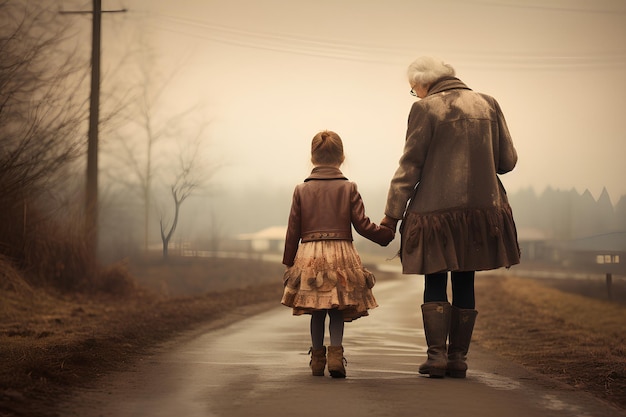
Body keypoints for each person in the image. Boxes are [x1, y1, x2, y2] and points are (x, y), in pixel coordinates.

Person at [380, 56, 521, 379]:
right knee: (464, 278)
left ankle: (437, 358)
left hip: (436, 213)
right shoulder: (488, 104)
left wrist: (391, 215)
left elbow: (410, 166)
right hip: (481, 212)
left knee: (435, 277)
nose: (415, 95)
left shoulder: (426, 109)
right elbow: (507, 160)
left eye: (413, 90)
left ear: (423, 84)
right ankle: (458, 359)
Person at [282, 130, 395, 378]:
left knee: (316, 308)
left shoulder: (301, 190)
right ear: (342, 157)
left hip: (310, 255)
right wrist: (386, 234)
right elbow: (363, 225)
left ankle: (316, 359)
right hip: (341, 253)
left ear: (312, 158)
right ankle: (335, 358)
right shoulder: (348, 187)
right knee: (336, 308)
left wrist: (289, 262)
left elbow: (293, 230)